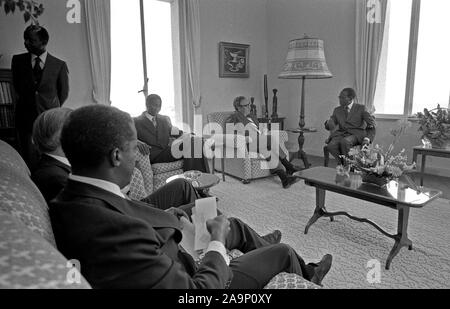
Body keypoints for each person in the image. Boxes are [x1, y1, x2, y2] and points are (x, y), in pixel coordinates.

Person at [50, 105, 333, 289]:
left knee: (230, 221)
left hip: (176, 247)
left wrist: (173, 216)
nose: (137, 155)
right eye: (133, 148)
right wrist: (217, 243)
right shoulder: (110, 231)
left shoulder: (76, 197)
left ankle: (255, 242)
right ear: (115, 156)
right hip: (198, 272)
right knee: (280, 252)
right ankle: (309, 275)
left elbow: (130, 213)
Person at [31, 108, 199, 208]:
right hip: (131, 212)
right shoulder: (53, 177)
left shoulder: (60, 164)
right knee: (193, 200)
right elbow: (101, 212)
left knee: (183, 186)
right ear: (60, 137)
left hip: (129, 203)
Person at [12, 25, 69, 169]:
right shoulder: (17, 61)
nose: (26, 43)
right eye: (25, 39)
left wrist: (49, 107)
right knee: (27, 160)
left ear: (43, 42)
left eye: (31, 40)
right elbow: (17, 87)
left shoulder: (59, 65)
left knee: (49, 159)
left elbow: (63, 93)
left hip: (48, 120)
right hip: (25, 119)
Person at [225, 96, 300, 189]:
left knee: (267, 149)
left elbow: (262, 129)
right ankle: (289, 167)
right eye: (246, 105)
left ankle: (284, 179)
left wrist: (263, 134)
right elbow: (232, 134)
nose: (249, 107)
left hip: (259, 142)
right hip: (247, 144)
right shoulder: (233, 118)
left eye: (249, 104)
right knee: (270, 139)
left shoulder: (251, 116)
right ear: (238, 107)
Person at [134, 94, 210, 173]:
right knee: (192, 145)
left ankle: (198, 178)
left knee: (196, 141)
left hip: (167, 152)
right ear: (147, 104)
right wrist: (137, 142)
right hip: (152, 154)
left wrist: (190, 135)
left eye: (159, 106)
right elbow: (125, 137)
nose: (158, 108)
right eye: (155, 105)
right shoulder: (136, 121)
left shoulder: (163, 119)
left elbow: (176, 132)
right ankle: (192, 178)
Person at [324, 88, 376, 165]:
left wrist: (367, 138)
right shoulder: (337, 110)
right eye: (339, 97)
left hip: (357, 134)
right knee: (331, 146)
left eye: (342, 97)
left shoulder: (361, 108)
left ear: (350, 98)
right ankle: (345, 164)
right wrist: (328, 123)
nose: (339, 99)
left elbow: (372, 124)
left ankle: (349, 166)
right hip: (342, 134)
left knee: (345, 142)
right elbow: (331, 123)